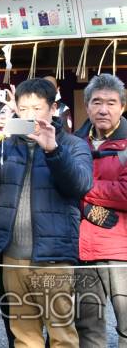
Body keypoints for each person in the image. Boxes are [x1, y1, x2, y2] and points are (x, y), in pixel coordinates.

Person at [0, 77, 93, 348]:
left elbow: (79, 185)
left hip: (54, 259)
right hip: (12, 255)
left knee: (62, 335)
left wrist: (53, 150)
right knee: (24, 335)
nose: (30, 115)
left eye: (37, 108)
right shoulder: (8, 144)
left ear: (53, 109)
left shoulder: (72, 145)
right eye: (23, 109)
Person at [73, 73, 127, 348]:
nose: (103, 109)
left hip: (121, 251)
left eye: (111, 102)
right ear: (87, 105)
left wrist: (82, 187)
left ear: (122, 107)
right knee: (87, 327)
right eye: (96, 102)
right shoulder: (74, 142)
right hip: (82, 250)